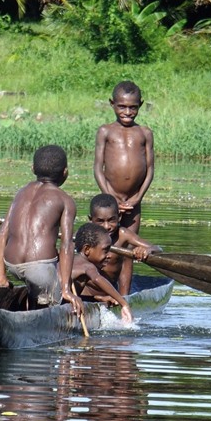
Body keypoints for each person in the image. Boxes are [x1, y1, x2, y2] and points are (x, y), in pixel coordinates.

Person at [0, 144, 82, 315]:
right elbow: (66, 246)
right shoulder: (65, 200)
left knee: (36, 287)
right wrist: (66, 290)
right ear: (65, 172)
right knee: (53, 301)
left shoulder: (21, 193)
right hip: (39, 268)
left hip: (11, 262)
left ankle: (29, 306)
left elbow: (1, 235)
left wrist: (1, 276)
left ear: (33, 168)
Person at [94, 81, 155, 292]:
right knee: (102, 248)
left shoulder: (145, 133)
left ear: (140, 105)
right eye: (122, 106)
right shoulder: (105, 131)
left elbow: (150, 171)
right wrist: (111, 199)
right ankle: (99, 290)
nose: (127, 112)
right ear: (112, 104)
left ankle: (125, 297)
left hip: (133, 203)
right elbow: (97, 169)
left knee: (128, 250)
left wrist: (137, 198)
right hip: (109, 204)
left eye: (133, 107)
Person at [88, 194, 161, 296]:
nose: (106, 226)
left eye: (111, 220)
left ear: (119, 217)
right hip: (87, 293)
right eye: (100, 221)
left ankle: (124, 298)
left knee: (127, 257)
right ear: (90, 220)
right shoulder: (84, 235)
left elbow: (157, 249)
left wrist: (146, 251)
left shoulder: (122, 234)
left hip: (112, 294)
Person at [72, 223, 133, 323]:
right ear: (87, 250)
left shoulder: (72, 261)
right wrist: (123, 303)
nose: (109, 255)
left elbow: (70, 298)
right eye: (105, 250)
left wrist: (96, 298)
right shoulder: (87, 266)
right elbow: (98, 279)